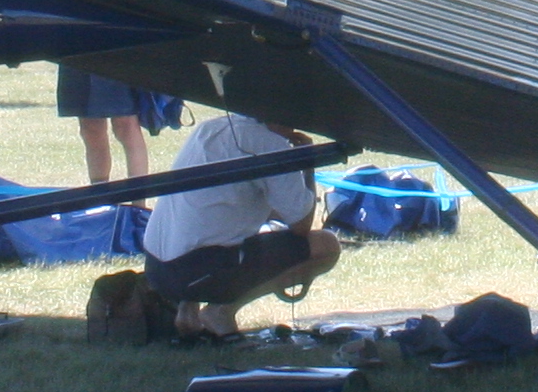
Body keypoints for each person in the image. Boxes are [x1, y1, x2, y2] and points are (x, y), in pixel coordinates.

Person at [138, 110, 339, 338]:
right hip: (196, 268)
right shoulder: (269, 144)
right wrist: (306, 164)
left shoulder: (210, 128)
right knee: (326, 245)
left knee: (205, 231)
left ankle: (188, 311)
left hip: (156, 269)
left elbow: (228, 205)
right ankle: (220, 312)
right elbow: (302, 224)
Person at [55, 67, 179, 185]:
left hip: (114, 55)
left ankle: (139, 202)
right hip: (78, 53)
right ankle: (99, 197)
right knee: (91, 128)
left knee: (126, 125)